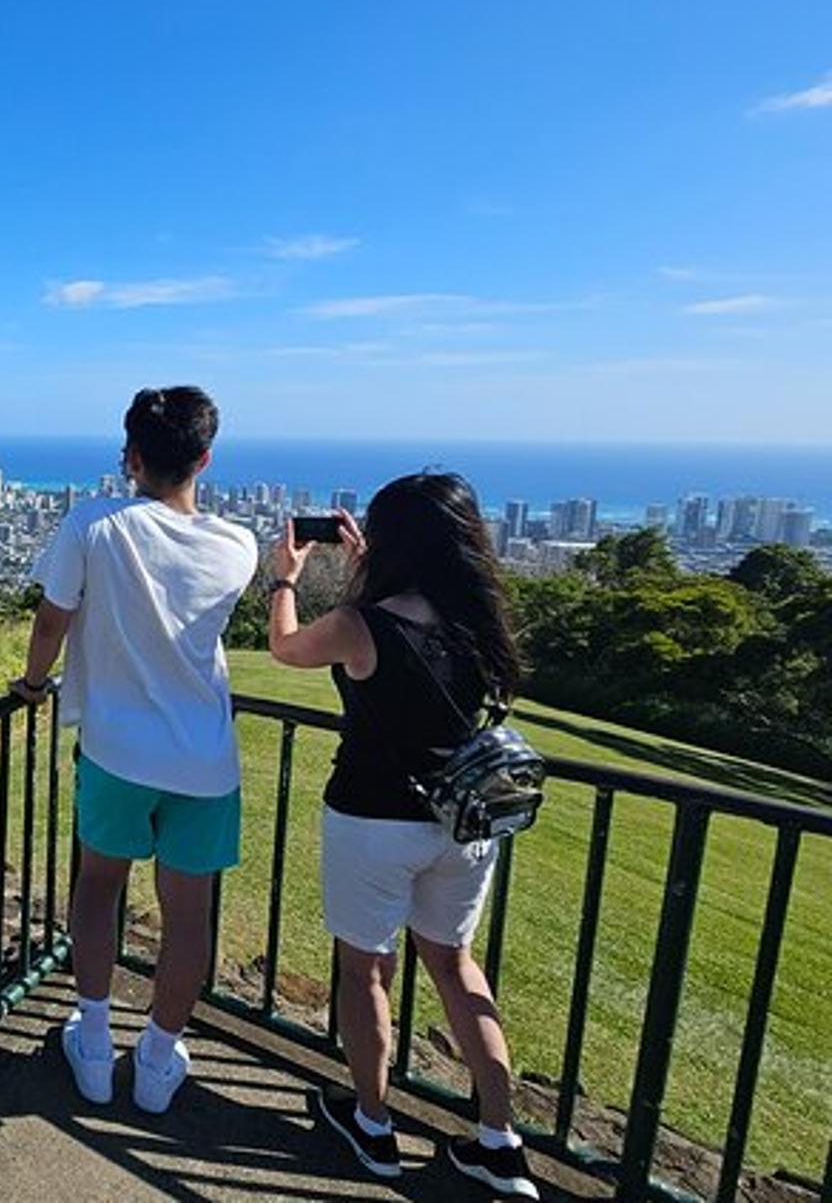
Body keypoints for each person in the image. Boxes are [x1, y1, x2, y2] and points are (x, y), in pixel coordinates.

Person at [266, 472, 537, 1199]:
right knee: (456, 966)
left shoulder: (365, 624)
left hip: (374, 819)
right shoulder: (479, 622)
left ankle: (375, 1123)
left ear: (392, 541)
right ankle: (499, 1141)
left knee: (367, 972)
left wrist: (283, 580)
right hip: (463, 822)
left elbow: (287, 648)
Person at [13, 386, 257, 1114]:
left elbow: (53, 620)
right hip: (204, 762)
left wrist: (33, 683)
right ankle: (156, 1058)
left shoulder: (94, 525)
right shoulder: (238, 545)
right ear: (206, 458)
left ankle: (93, 1040)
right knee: (188, 916)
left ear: (131, 456)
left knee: (97, 887)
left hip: (117, 750)